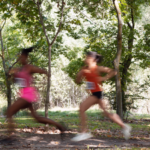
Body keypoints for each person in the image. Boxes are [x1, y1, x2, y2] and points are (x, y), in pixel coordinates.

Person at [71, 51, 132, 141]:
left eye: (88, 57)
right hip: (95, 93)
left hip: (98, 93)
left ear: (93, 59)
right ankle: (124, 126)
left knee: (82, 108)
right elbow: (79, 80)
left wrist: (104, 78)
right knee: (106, 113)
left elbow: (113, 71)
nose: (86, 59)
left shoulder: (97, 68)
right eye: (86, 57)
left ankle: (84, 133)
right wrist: (79, 76)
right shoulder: (85, 69)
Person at [6, 47, 65, 136]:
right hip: (25, 94)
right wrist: (12, 75)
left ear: (26, 57)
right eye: (19, 57)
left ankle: (11, 136)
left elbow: (41, 70)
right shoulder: (18, 69)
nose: (20, 59)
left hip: (28, 95)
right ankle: (60, 126)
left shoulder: (28, 67)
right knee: (36, 118)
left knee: (9, 112)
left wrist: (46, 73)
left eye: (22, 57)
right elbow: (16, 81)